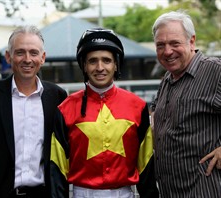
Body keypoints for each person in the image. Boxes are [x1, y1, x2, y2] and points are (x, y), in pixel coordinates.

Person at [50, 28, 159, 198]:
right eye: (93, 61)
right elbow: (57, 169)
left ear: (116, 65)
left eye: (106, 60)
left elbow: (146, 165)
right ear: (84, 66)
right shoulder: (65, 109)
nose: (100, 67)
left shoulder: (138, 106)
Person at [150, 10, 221, 198]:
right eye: (160, 45)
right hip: (170, 191)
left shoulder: (215, 72)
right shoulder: (167, 79)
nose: (167, 51)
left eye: (175, 43)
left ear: (191, 41)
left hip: (206, 190)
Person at [0, 25, 67, 198]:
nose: (27, 59)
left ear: (43, 57)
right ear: (8, 57)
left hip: (44, 194)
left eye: (33, 53)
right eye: (20, 52)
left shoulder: (57, 96)